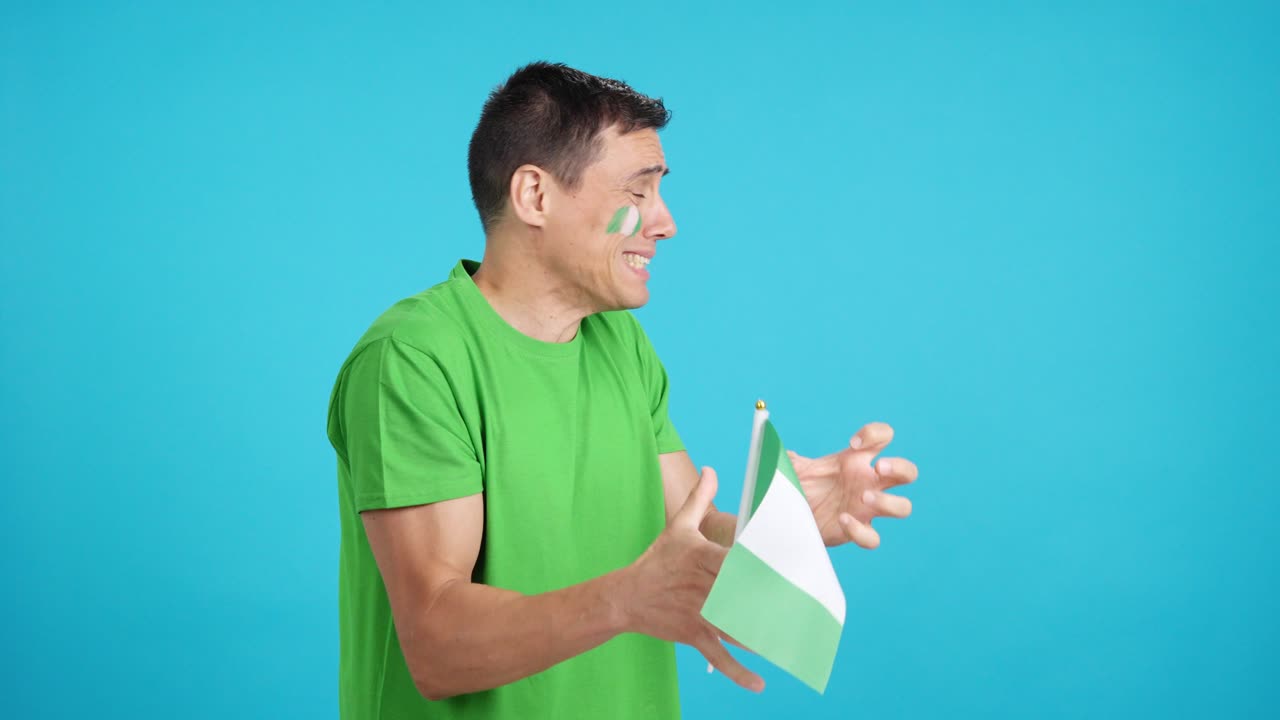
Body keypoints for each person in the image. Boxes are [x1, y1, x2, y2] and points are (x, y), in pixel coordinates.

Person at [325, 61, 919, 720]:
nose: (665, 223)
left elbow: (688, 536)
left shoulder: (620, 343)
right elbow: (436, 644)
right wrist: (625, 599)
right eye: (638, 193)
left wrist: (785, 526)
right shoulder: (414, 360)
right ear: (535, 195)